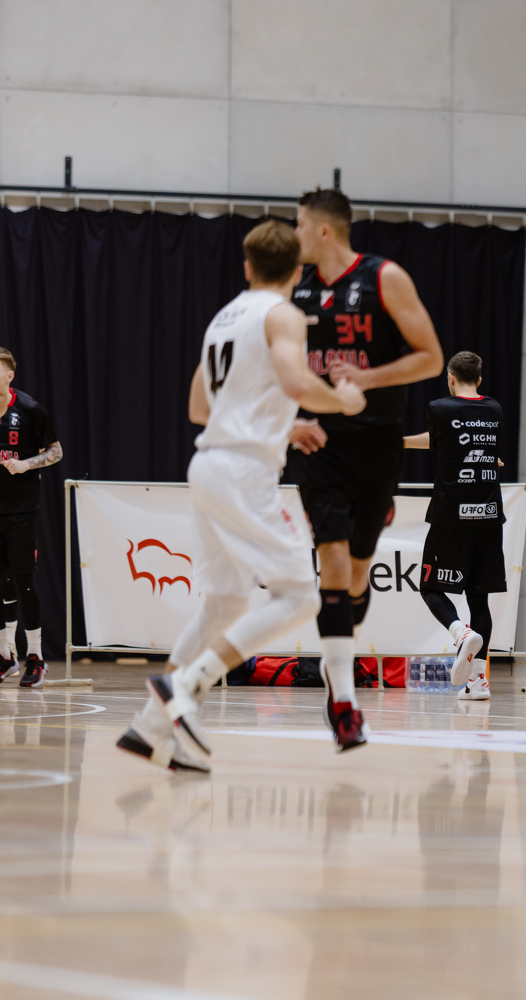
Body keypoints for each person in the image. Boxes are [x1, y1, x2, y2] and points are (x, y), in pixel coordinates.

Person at [117, 220, 366, 772]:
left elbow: (199, 408)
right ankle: (185, 685)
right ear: (297, 271)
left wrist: (281, 424)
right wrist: (344, 401)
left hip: (209, 463)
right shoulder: (283, 314)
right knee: (301, 596)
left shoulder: (222, 318)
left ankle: (150, 728)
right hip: (244, 471)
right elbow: (297, 382)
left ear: (248, 267)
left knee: (225, 603)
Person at [287, 187, 444, 750]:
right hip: (318, 440)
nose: (294, 235)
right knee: (330, 560)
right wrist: (290, 419)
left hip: (377, 439)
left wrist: (368, 378)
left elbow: (431, 357)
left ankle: (340, 663)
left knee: (357, 570)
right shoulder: (294, 285)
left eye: (299, 225)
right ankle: (344, 701)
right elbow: (274, 365)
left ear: (323, 229)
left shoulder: (384, 277)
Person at [402, 351, 506, 703]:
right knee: (479, 597)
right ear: (480, 379)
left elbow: (440, 440)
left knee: (429, 587)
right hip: (488, 515)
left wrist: (400, 442)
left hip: (451, 515)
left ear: (450, 377)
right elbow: (466, 443)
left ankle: (460, 634)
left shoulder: (439, 408)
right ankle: (478, 683)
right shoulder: (494, 409)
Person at [0, 348, 62, 687]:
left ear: (9, 376)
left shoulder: (29, 409)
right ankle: (5, 656)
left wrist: (26, 464)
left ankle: (35, 656)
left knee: (23, 581)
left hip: (22, 509)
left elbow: (56, 451)